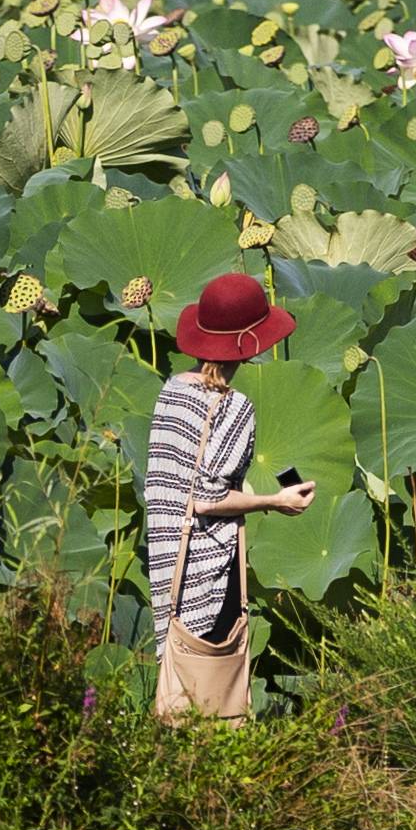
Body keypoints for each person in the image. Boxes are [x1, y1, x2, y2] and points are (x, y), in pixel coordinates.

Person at [144, 272, 311, 669]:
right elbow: (207, 499)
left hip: (168, 561)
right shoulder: (233, 408)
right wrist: (276, 500)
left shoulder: (172, 391)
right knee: (211, 688)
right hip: (208, 569)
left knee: (178, 679)